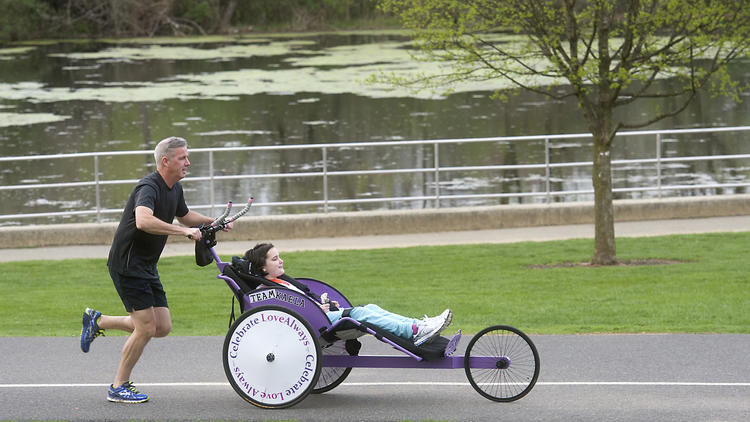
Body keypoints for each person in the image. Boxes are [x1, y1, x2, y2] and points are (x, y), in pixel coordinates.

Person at [80, 136, 231, 404]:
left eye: (187, 157)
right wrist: (183, 232)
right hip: (128, 264)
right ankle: (118, 385)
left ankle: (98, 321)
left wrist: (214, 221)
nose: (188, 162)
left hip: (147, 265)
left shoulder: (175, 188)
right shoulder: (149, 186)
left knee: (161, 326)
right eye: (183, 157)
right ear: (166, 161)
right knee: (146, 327)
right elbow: (143, 220)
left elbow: (184, 216)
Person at [245, 243, 452, 346]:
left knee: (370, 308)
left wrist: (323, 305)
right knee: (361, 314)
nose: (280, 261)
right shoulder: (267, 291)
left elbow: (301, 303)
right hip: (315, 324)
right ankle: (414, 331)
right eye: (274, 259)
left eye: (279, 257)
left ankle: (417, 326)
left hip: (320, 316)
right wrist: (318, 309)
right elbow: (289, 314)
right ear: (263, 268)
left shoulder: (281, 282)